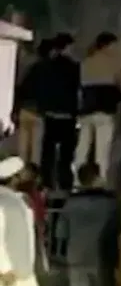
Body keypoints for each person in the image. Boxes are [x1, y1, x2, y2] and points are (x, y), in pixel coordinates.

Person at [61, 162, 120, 286]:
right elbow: (116, 229)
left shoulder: (70, 203)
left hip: (76, 258)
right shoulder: (109, 203)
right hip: (100, 260)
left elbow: (61, 233)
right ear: (97, 177)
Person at [0, 157, 46, 286]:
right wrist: (3, 269)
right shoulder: (6, 202)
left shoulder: (18, 200)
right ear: (15, 178)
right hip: (10, 278)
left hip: (23, 274)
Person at [75, 32, 121, 185]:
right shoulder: (114, 63)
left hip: (86, 111)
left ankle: (78, 179)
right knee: (102, 149)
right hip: (104, 111)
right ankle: (101, 179)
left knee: (82, 147)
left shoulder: (86, 62)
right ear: (107, 45)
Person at [40, 33, 81, 190]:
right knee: (66, 155)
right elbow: (77, 91)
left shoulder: (47, 66)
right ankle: (65, 184)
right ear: (68, 47)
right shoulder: (74, 67)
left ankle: (46, 183)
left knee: (48, 153)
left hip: (50, 114)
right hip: (67, 115)